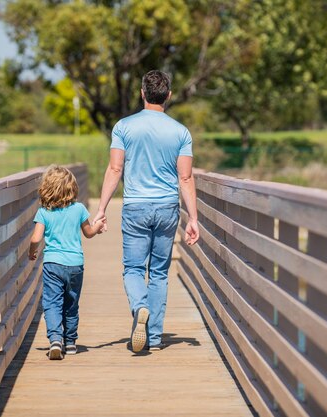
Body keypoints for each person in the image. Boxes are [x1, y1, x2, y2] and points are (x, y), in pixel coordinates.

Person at [92, 70, 200, 353]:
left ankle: (140, 306)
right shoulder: (181, 132)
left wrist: (101, 208)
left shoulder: (123, 127)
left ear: (142, 93)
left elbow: (115, 168)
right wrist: (194, 219)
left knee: (133, 269)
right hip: (167, 207)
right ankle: (152, 338)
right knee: (160, 273)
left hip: (136, 206)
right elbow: (185, 178)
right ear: (169, 96)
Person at [29, 166, 106, 360]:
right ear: (72, 188)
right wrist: (98, 226)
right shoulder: (79, 209)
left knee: (52, 303)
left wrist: (32, 252)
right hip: (75, 265)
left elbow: (35, 239)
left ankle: (56, 339)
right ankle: (70, 342)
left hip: (52, 264)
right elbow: (88, 233)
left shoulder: (43, 212)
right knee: (71, 303)